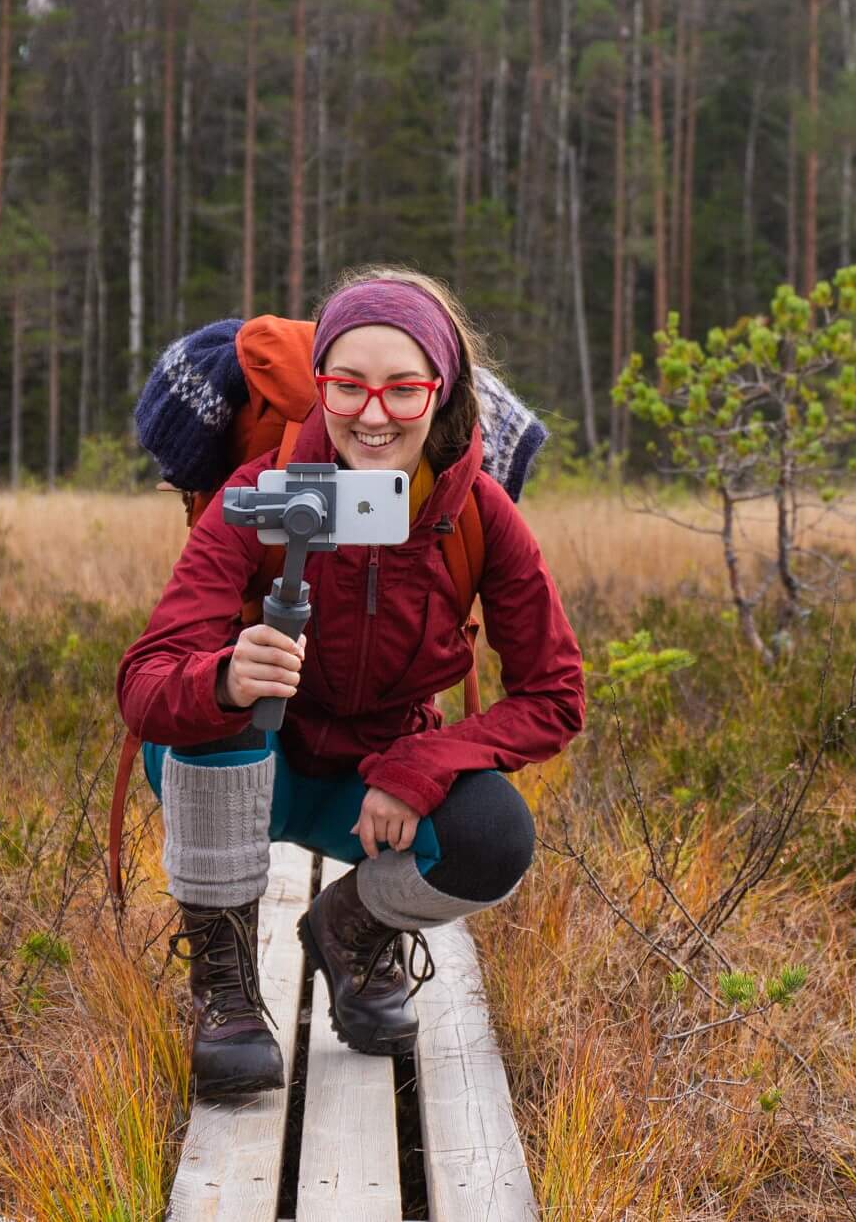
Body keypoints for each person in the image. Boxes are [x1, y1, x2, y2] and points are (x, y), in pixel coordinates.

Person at [117, 266, 586, 1098]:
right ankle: (225, 993)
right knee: (209, 715)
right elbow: (145, 680)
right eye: (349, 386)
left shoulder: (476, 512)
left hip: (375, 793)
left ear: (441, 394)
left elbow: (555, 695)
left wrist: (426, 764)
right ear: (322, 387)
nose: (373, 415)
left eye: (404, 389)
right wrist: (223, 679)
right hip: (253, 770)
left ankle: (351, 929)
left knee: (493, 838)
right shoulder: (258, 494)